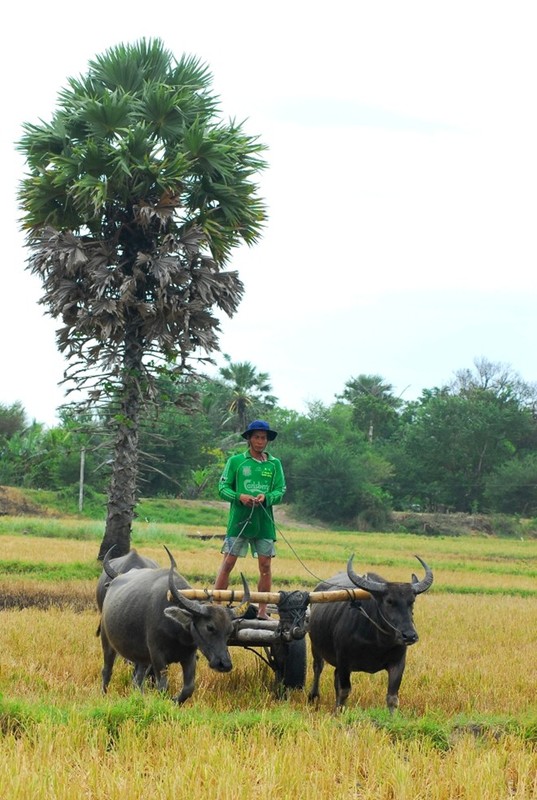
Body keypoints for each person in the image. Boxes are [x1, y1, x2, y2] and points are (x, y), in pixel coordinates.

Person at [214, 420, 286, 619]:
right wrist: (240, 497)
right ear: (249, 438)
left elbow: (280, 490)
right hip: (239, 521)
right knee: (228, 562)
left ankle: (262, 611)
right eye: (256, 437)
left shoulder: (274, 464)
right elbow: (223, 488)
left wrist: (267, 498)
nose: (260, 441)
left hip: (264, 522)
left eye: (263, 438)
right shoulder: (236, 461)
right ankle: (216, 606)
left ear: (267, 440)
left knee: (265, 566)